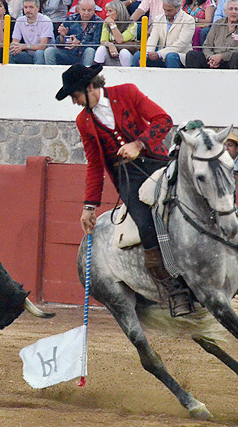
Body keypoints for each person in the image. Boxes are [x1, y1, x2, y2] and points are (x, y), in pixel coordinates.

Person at [55, 64, 193, 318]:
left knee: (198, 193)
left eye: (75, 96)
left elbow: (164, 121)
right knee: (145, 225)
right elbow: (95, 165)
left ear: (89, 87)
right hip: (127, 179)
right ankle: (176, 291)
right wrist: (89, 206)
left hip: (156, 163)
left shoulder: (127, 92)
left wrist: (139, 144)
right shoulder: (83, 121)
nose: (75, 103)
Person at [185, 0, 238, 69]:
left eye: (236, 9)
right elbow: (207, 45)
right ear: (225, 12)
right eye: (230, 9)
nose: (233, 12)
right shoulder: (218, 23)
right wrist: (211, 58)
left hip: (229, 60)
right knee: (192, 55)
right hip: (213, 58)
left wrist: (221, 56)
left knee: (237, 57)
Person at [128, 0, 194, 68]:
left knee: (170, 57)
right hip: (161, 56)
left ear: (178, 7)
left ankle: (173, 78)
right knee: (139, 55)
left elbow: (181, 44)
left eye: (169, 10)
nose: (166, 13)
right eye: (164, 10)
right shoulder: (159, 18)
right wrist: (147, 54)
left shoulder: (188, 20)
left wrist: (159, 54)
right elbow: (153, 39)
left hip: (179, 56)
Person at [45, 0, 102, 65]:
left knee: (90, 51)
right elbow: (58, 44)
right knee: (49, 51)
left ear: (94, 10)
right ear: (78, 9)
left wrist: (79, 44)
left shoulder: (99, 22)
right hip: (68, 53)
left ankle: (86, 74)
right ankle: (53, 74)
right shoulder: (71, 19)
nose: (86, 13)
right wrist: (62, 36)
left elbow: (97, 44)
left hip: (85, 55)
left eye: (89, 10)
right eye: (83, 10)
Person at [93, 0, 138, 66]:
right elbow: (103, 41)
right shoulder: (106, 23)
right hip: (111, 55)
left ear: (119, 11)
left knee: (124, 52)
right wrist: (110, 45)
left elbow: (120, 40)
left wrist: (112, 25)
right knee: (101, 49)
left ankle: (127, 74)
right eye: (107, 11)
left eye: (110, 11)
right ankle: (96, 72)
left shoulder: (132, 24)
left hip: (127, 56)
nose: (107, 14)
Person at [9, 0, 54, 64]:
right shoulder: (20, 21)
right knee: (10, 53)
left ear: (38, 8)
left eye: (31, 7)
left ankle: (38, 73)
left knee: (39, 53)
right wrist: (15, 47)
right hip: (28, 55)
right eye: (25, 7)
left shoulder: (45, 20)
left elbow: (43, 46)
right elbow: (15, 42)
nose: (28, 10)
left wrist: (24, 46)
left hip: (43, 55)